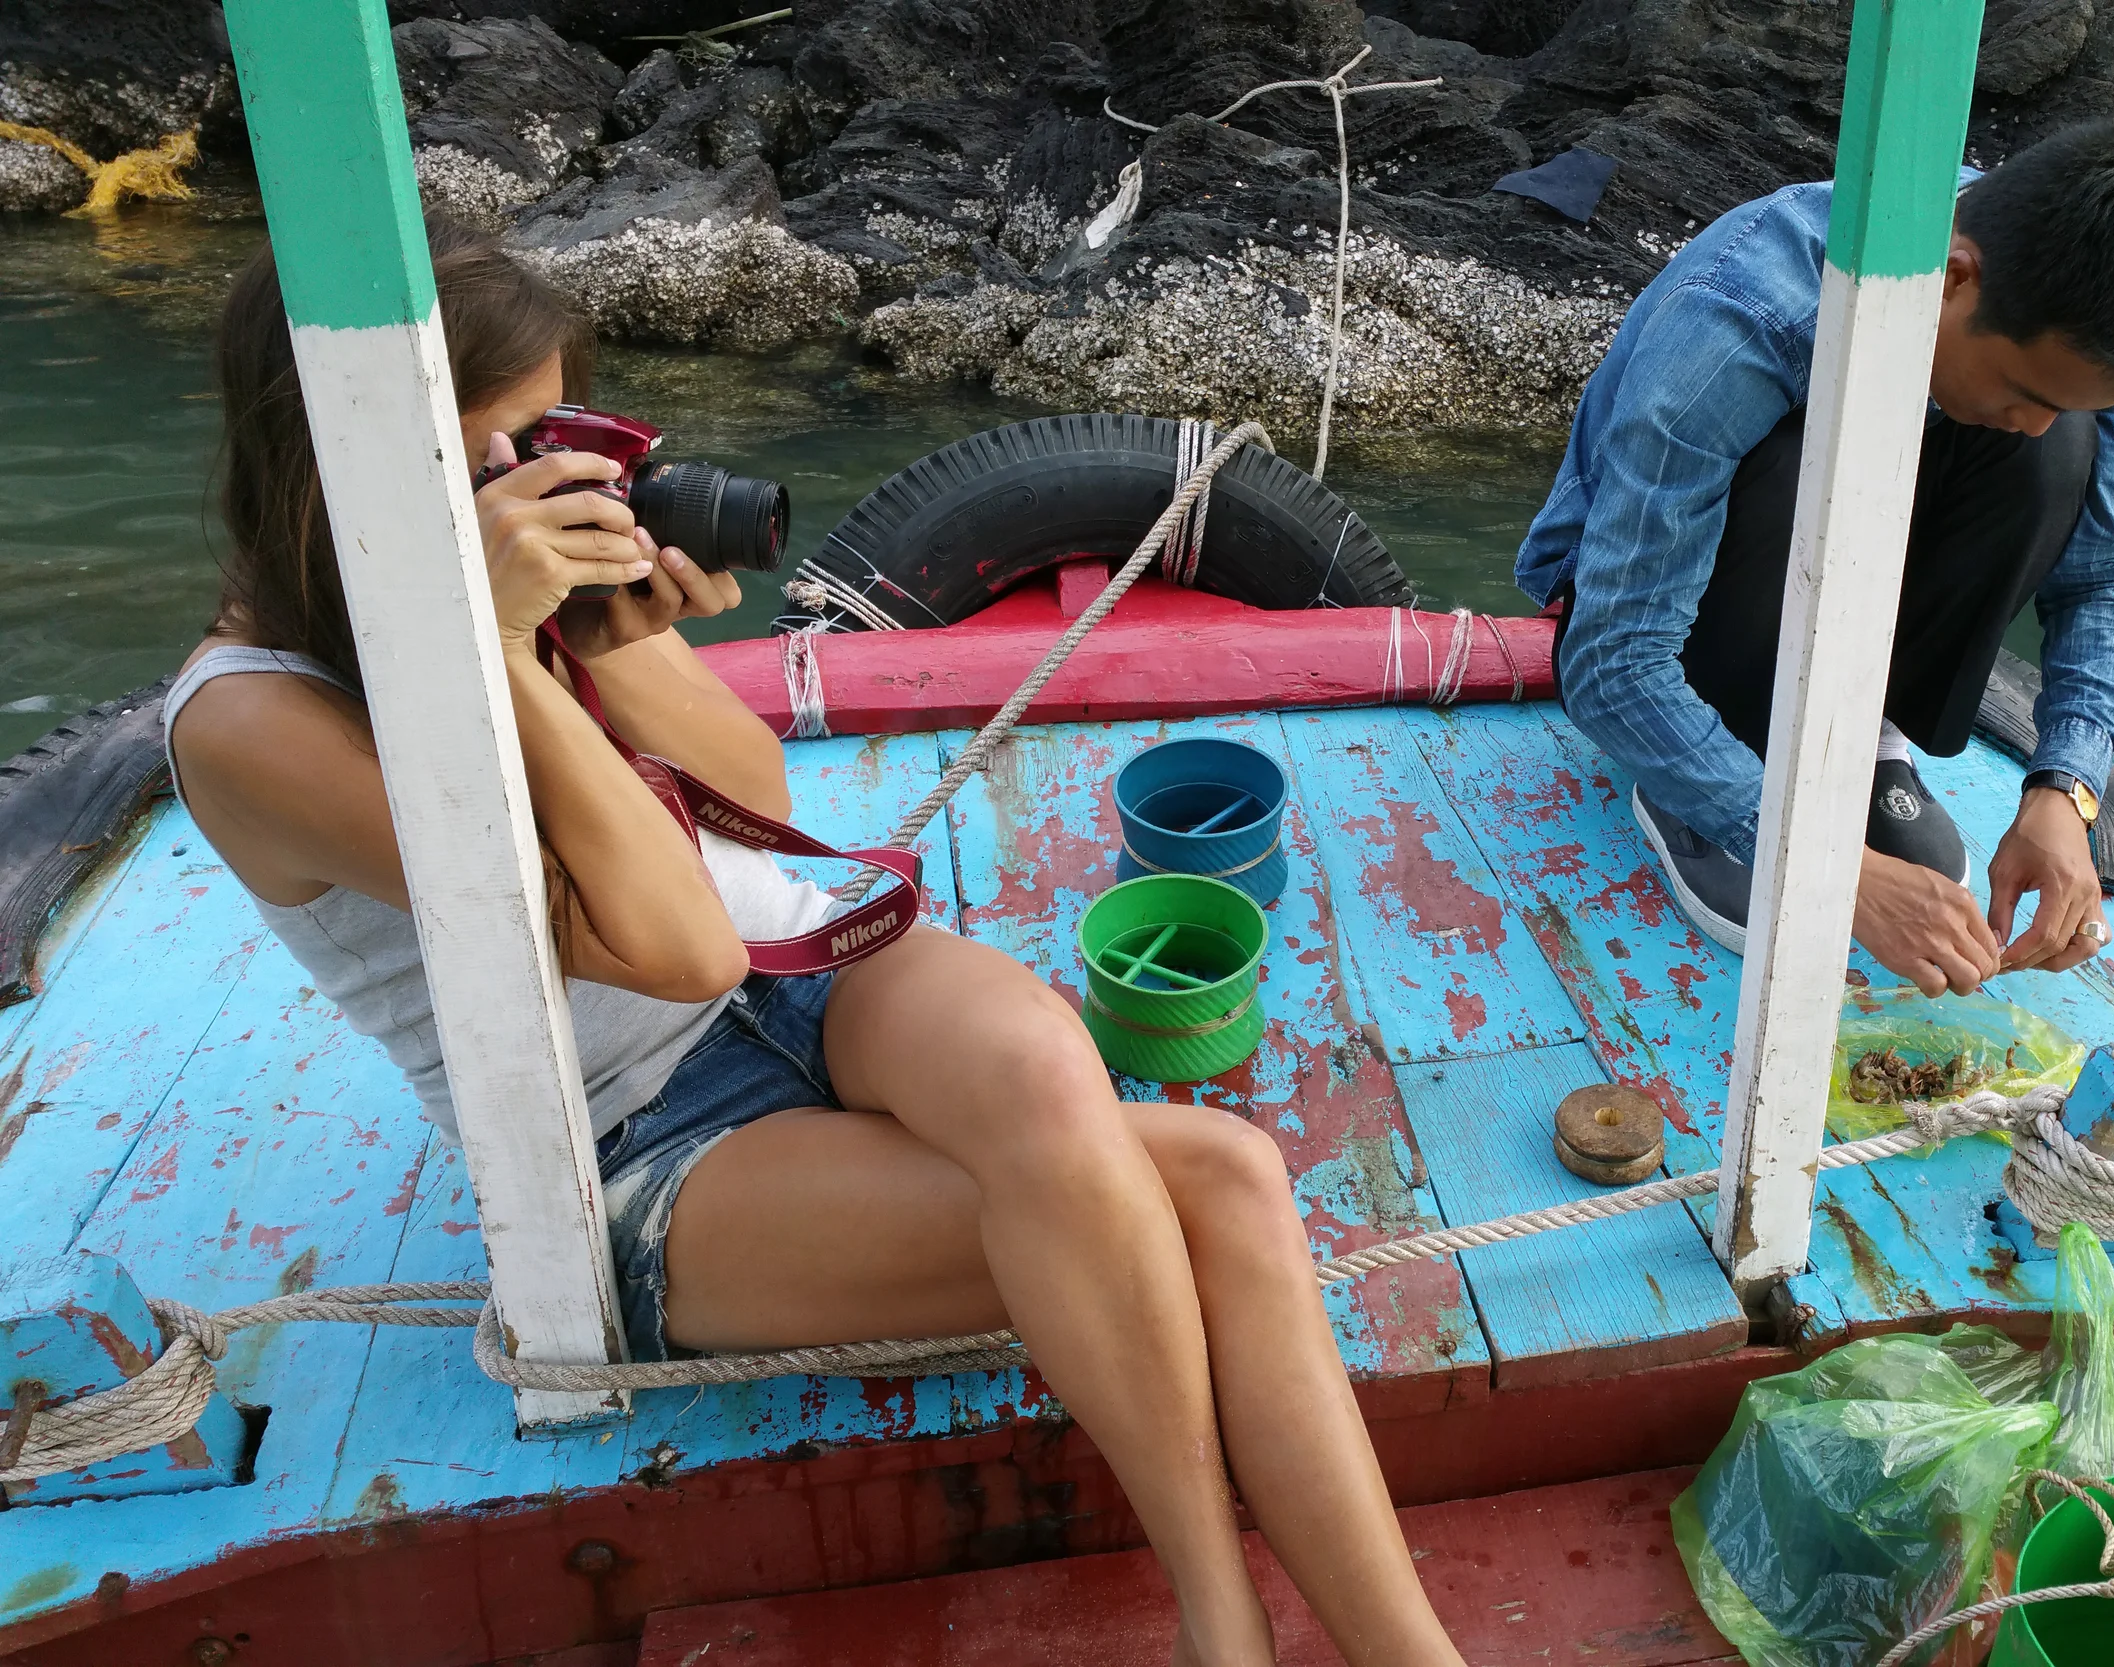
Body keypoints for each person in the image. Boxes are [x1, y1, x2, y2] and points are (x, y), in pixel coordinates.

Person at [165, 218, 1464, 1667]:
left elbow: (758, 796)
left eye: (555, 443)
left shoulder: (511, 582)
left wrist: (604, 642)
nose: (541, 490)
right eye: (494, 458)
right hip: (640, 1139)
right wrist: (502, 651)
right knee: (1205, 1186)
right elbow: (676, 949)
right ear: (344, 468)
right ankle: (1223, 1626)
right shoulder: (252, 722)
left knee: (1151, 1130)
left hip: (801, 976)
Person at [1515, 120, 2114, 997]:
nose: (2036, 417)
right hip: (1665, 618)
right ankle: (1706, 767)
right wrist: (1828, 866)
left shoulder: (2098, 321)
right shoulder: (1743, 318)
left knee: (2056, 456)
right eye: (2026, 389)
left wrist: (2066, 791)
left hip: (1855, 569)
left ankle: (1865, 730)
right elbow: (1611, 658)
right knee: (1810, 448)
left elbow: (2108, 573)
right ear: (1955, 278)